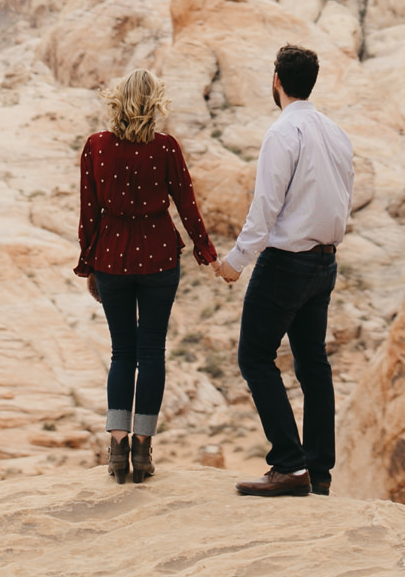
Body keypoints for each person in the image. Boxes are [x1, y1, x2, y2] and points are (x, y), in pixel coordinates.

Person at [215, 42, 354, 497]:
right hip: (324, 261)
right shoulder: (335, 132)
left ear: (276, 80)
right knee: (313, 363)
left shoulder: (282, 133)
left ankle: (289, 464)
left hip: (287, 262)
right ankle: (319, 471)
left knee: (254, 356)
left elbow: (266, 207)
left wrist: (236, 262)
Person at [76, 67, 216, 484]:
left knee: (123, 352)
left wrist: (88, 263)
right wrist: (204, 250)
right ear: (155, 105)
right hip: (157, 258)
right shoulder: (166, 148)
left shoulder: (96, 146)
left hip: (112, 259)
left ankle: (116, 449)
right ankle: (142, 448)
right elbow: (186, 203)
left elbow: (88, 212)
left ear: (116, 100)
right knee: (152, 352)